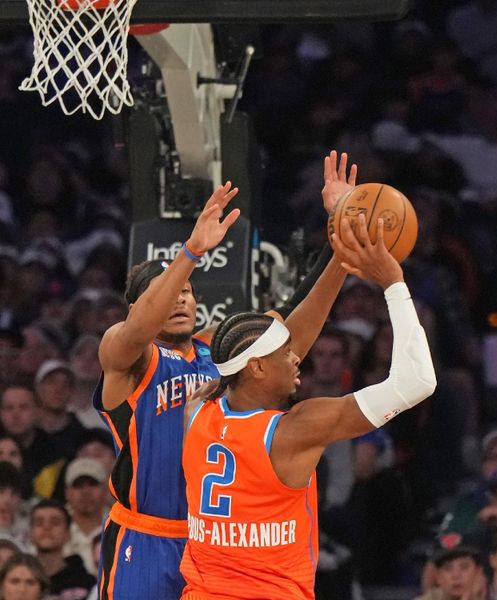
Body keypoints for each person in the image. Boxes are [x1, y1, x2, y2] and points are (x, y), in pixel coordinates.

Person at [94, 152, 357, 599]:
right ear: (138, 306)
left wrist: (339, 238)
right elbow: (138, 327)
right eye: (166, 294)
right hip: (146, 539)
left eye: (188, 292)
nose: (179, 299)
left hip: (213, 547)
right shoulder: (127, 354)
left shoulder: (217, 350)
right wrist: (191, 252)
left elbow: (290, 331)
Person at [180, 213, 437, 599]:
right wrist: (393, 283)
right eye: (287, 353)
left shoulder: (197, 408)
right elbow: (418, 381)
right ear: (258, 367)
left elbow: (242, 360)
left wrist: (339, 249)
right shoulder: (295, 428)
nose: (299, 356)